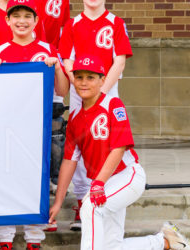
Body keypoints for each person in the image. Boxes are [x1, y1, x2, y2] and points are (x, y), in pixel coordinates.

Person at [48, 54, 190, 250]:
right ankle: (166, 241)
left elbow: (118, 148)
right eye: (79, 77)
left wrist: (99, 184)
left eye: (90, 77)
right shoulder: (75, 117)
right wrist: (58, 202)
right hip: (103, 182)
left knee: (90, 208)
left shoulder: (112, 105)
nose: (83, 83)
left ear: (102, 80)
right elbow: (69, 160)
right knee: (111, 246)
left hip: (126, 177)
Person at [0, 0, 66, 248]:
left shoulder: (47, 49)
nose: (22, 21)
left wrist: (57, 68)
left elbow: (62, 90)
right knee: (6, 177)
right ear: (7, 20)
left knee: (37, 178)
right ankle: (5, 238)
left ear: (36, 20)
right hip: (9, 126)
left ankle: (34, 238)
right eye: (16, 16)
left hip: (38, 126)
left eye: (27, 16)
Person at [57, 0, 132, 231]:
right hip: (81, 93)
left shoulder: (116, 23)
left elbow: (119, 61)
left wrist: (101, 91)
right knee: (80, 147)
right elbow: (67, 61)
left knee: (109, 144)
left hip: (106, 90)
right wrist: (83, 87)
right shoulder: (72, 24)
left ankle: (110, 198)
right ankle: (83, 202)